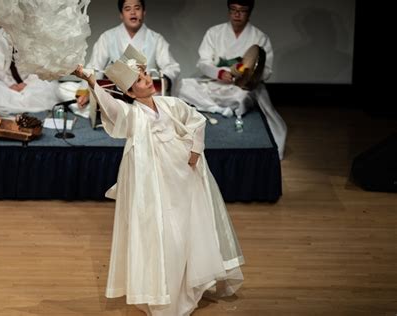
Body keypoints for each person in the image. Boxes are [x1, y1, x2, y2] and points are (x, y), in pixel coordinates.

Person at [75, 45, 244, 316]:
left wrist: (194, 151)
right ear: (131, 93)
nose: (148, 82)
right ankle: (163, 292)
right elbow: (111, 107)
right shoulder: (132, 115)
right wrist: (91, 81)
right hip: (155, 182)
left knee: (187, 230)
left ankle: (187, 284)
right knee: (166, 234)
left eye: (146, 77)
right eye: (141, 82)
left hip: (182, 176)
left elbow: (197, 121)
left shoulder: (170, 104)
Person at [178, 0, 287, 159]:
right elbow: (203, 63)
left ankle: (213, 106)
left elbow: (267, 71)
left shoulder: (260, 37)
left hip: (241, 87)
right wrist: (220, 73)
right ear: (229, 11)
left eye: (242, 10)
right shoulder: (214, 32)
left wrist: (247, 75)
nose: (237, 14)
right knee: (181, 86)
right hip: (216, 82)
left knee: (240, 98)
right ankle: (220, 109)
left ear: (249, 12)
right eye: (233, 10)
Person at [86, 0, 180, 94]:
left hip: (147, 95)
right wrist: (86, 91)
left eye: (137, 8)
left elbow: (171, 68)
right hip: (116, 98)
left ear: (144, 12)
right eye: (127, 9)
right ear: (121, 15)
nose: (133, 12)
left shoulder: (156, 39)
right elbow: (94, 67)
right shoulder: (107, 38)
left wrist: (162, 81)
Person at [0, 28, 61, 115]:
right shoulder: (0, 34)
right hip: (5, 81)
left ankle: (21, 102)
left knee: (49, 86)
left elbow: (41, 65)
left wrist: (27, 83)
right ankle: (21, 103)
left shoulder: (36, 33)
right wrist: (10, 84)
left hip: (32, 80)